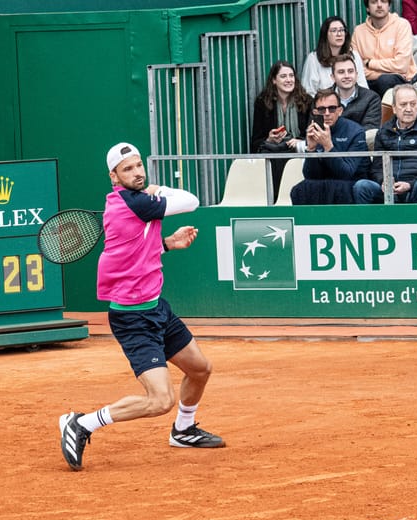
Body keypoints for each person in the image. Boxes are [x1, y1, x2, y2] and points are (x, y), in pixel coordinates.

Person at [59, 142, 224, 472]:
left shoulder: (130, 205)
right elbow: (191, 201)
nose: (137, 173)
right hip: (133, 318)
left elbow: (133, 253)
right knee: (160, 400)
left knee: (200, 370)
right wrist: (157, 189)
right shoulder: (133, 202)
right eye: (128, 169)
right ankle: (81, 424)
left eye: (138, 166)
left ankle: (184, 430)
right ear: (114, 177)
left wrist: (167, 244)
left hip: (157, 308)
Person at [290, 88, 371, 204]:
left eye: (332, 109)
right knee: (301, 189)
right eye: (322, 109)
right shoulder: (314, 130)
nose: (327, 113)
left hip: (351, 183)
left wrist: (328, 147)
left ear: (340, 110)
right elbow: (310, 176)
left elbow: (347, 173)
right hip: (325, 183)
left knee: (339, 189)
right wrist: (311, 150)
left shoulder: (355, 132)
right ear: (315, 112)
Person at [354, 84, 417, 203]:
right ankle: (368, 222)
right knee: (362, 186)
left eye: (413, 104)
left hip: (416, 187)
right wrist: (383, 181)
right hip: (390, 188)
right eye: (403, 104)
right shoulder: (384, 131)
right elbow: (376, 168)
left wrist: (409, 184)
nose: (409, 109)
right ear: (394, 108)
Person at [250, 60, 312, 201]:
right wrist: (269, 139)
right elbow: (255, 141)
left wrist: (299, 140)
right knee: (272, 155)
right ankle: (274, 199)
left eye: (291, 76)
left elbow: (312, 135)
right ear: (273, 80)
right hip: (274, 149)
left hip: (297, 149)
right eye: (283, 76)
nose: (289, 80)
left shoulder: (307, 101)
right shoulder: (262, 102)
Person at [351, 0, 417, 97]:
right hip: (368, 81)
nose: (379, 5)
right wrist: (379, 75)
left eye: (383, 1)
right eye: (374, 2)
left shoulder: (402, 25)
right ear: (367, 8)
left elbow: (401, 65)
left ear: (389, 5)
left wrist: (370, 63)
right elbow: (356, 68)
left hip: (401, 82)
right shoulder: (358, 32)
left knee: (384, 81)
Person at [301, 16, 368, 96]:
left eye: (342, 30)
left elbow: (362, 86)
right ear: (325, 34)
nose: (339, 34)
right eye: (334, 31)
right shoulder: (313, 59)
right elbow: (309, 91)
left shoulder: (354, 56)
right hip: (325, 105)